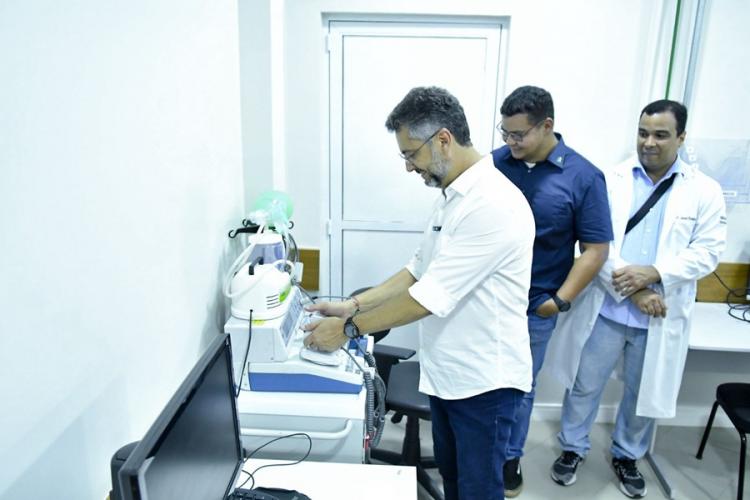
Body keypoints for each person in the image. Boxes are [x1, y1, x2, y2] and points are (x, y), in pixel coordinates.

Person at [303, 86, 535, 500]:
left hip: (485, 384)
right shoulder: (452, 197)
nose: (410, 167)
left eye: (411, 154)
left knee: (478, 491)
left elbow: (428, 297)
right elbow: (416, 272)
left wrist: (349, 329)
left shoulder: (493, 204)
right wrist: (352, 305)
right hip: (448, 373)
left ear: (443, 139)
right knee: (454, 481)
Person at [545, 99, 727, 498]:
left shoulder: (705, 190)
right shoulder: (609, 180)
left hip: (660, 312)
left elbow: (708, 252)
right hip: (608, 307)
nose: (649, 142)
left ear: (681, 137)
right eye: (643, 133)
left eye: (661, 135)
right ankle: (573, 448)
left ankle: (627, 455)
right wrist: (638, 289)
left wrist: (656, 273)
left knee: (642, 393)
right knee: (584, 384)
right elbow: (594, 243)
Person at [491, 85, 612, 497]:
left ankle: (508, 458)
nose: (511, 142)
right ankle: (480, 452)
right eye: (505, 132)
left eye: (519, 134)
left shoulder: (583, 176)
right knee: (481, 381)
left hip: (533, 305)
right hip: (485, 300)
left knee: (520, 388)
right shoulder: (494, 164)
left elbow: (595, 250)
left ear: (547, 126)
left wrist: (559, 301)